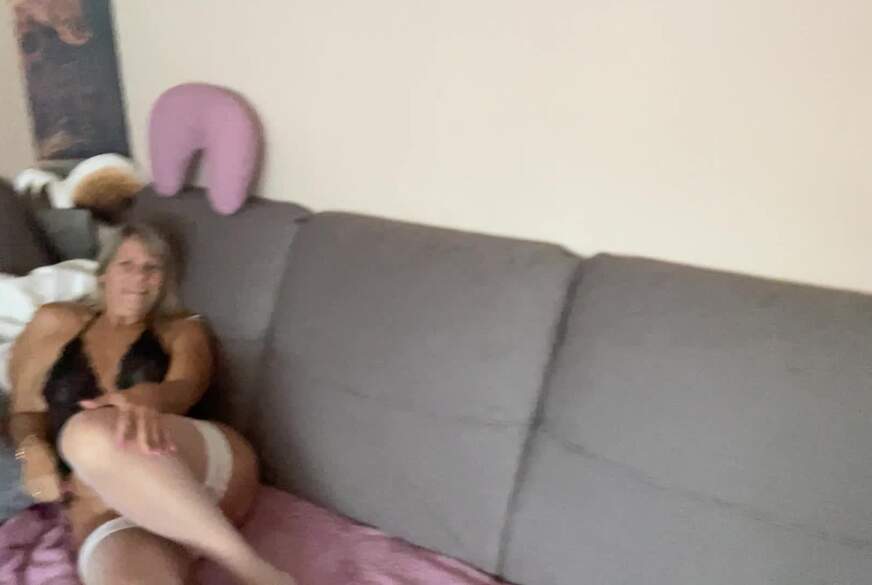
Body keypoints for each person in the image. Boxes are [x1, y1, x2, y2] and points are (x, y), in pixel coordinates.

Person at [8, 222, 294, 585]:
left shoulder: (182, 329)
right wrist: (29, 452)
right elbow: (23, 411)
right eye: (126, 265)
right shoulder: (55, 322)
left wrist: (150, 396)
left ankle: (254, 571)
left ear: (164, 280)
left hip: (199, 470)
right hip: (110, 513)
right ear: (103, 273)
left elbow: (186, 387)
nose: (139, 278)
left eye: (152, 268)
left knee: (86, 433)